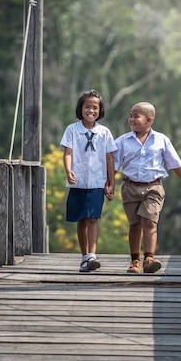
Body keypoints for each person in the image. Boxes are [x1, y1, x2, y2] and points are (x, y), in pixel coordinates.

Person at [113, 101, 181, 274]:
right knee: (134, 224)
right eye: (130, 116)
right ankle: (135, 261)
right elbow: (112, 165)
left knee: (150, 222)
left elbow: (174, 163)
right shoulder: (122, 141)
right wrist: (108, 184)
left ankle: (149, 258)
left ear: (149, 120)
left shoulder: (161, 140)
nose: (131, 119)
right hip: (129, 187)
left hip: (154, 187)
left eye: (136, 116)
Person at [60, 90, 117, 272]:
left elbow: (109, 158)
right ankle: (84, 256)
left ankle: (92, 255)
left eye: (95, 107)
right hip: (78, 181)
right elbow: (67, 152)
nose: (91, 110)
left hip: (97, 182)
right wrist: (68, 171)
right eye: (87, 107)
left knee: (93, 217)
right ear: (81, 109)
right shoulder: (72, 130)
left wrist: (111, 181)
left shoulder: (104, 132)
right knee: (81, 220)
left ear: (100, 111)